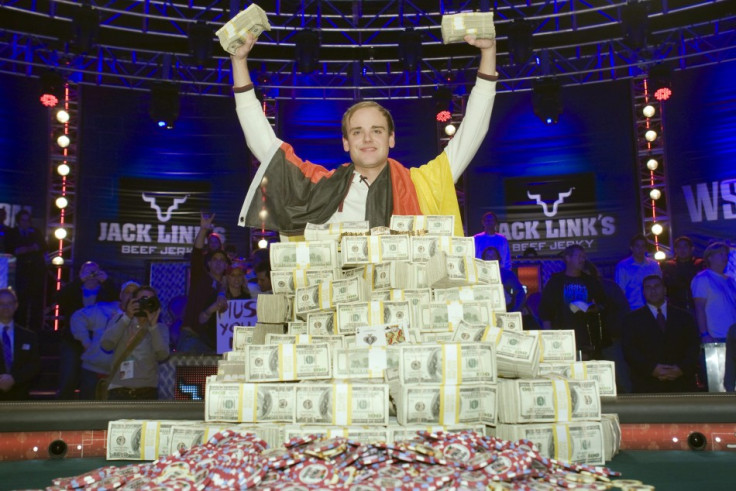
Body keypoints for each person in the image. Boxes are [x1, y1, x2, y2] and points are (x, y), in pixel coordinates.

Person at [231, 33, 497, 237]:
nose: (367, 139)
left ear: (391, 139)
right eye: (357, 132)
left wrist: (488, 53)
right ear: (346, 142)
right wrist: (239, 61)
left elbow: (473, 128)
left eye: (377, 131)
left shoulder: (424, 184)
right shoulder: (319, 189)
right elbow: (265, 147)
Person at [622, 275, 699, 392]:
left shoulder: (684, 316)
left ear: (665, 289)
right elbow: (630, 351)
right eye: (648, 287)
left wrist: (681, 369)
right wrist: (652, 370)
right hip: (647, 385)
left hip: (682, 384)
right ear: (643, 292)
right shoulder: (632, 320)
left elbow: (693, 346)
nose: (653, 290)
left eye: (656, 286)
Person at [56, 261, 118, 399]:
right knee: (68, 376)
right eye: (88, 271)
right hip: (73, 341)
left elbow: (119, 299)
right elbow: (59, 298)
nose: (91, 275)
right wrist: (80, 280)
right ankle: (61, 410)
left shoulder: (105, 292)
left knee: (91, 381)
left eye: (94, 271)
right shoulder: (74, 290)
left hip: (98, 342)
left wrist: (106, 281)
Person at [70, 280, 140, 400]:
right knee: (88, 410)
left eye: (135, 293)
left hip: (123, 375)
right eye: (127, 292)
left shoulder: (141, 317)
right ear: (121, 295)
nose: (130, 296)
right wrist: (86, 341)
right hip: (94, 369)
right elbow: (78, 317)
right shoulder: (103, 309)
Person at [100, 286, 169, 400]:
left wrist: (153, 326)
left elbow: (162, 355)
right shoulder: (119, 320)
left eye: (150, 300)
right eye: (143, 299)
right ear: (133, 301)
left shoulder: (160, 328)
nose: (146, 303)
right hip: (119, 388)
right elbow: (106, 345)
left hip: (147, 389)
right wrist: (127, 317)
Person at [538, 245, 607, 360]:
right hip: (562, 336)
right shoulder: (556, 282)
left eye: (584, 256)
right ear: (567, 258)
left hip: (587, 337)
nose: (582, 259)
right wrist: (549, 337)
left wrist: (591, 308)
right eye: (579, 256)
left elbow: (603, 304)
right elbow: (545, 311)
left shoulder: (590, 281)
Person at [177, 213, 229, 354]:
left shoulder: (227, 287)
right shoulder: (200, 277)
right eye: (215, 259)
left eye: (222, 260)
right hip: (192, 338)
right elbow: (197, 253)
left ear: (226, 266)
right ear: (209, 264)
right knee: (187, 376)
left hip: (216, 344)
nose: (218, 262)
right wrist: (203, 230)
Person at [583, 259, 632, 393]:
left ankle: (630, 410)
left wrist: (613, 332)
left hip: (610, 340)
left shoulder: (608, 287)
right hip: (587, 343)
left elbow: (623, 311)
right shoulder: (575, 290)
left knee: (620, 379)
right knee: (589, 384)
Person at [4, 209, 47, 330]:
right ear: (18, 221)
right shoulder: (12, 233)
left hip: (35, 273)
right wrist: (31, 248)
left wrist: (26, 249)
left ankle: (35, 331)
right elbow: (13, 250)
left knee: (35, 304)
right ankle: (19, 328)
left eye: (28, 220)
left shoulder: (36, 232)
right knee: (20, 302)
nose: (26, 223)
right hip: (19, 273)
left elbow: (42, 246)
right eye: (23, 220)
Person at [0, 288, 41, 400]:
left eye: (9, 303)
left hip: (20, 395)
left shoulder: (29, 336)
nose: (5, 307)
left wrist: (14, 379)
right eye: (1, 304)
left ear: (16, 305)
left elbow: (34, 365)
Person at [691, 242, 736, 343]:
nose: (725, 257)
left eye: (726, 254)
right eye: (721, 254)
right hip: (716, 336)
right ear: (710, 257)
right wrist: (704, 333)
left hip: (733, 335)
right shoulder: (702, 279)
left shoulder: (730, 280)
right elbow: (699, 308)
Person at [615, 234, 662, 310]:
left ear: (646, 248)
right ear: (632, 248)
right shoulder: (623, 266)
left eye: (643, 246)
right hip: (632, 308)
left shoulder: (654, 265)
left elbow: (659, 286)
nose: (640, 249)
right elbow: (620, 291)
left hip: (652, 307)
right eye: (637, 246)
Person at [661, 236, 703, 312]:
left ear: (692, 249)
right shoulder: (668, 266)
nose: (682, 250)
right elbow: (664, 287)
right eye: (679, 247)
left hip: (697, 307)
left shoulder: (700, 264)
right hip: (676, 308)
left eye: (685, 246)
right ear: (675, 250)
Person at [481, 246, 524, 312]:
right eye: (488, 256)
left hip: (505, 310)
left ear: (498, 259)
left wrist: (514, 311)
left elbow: (520, 293)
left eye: (493, 256)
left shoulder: (507, 274)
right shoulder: (478, 276)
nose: (490, 258)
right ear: (483, 260)